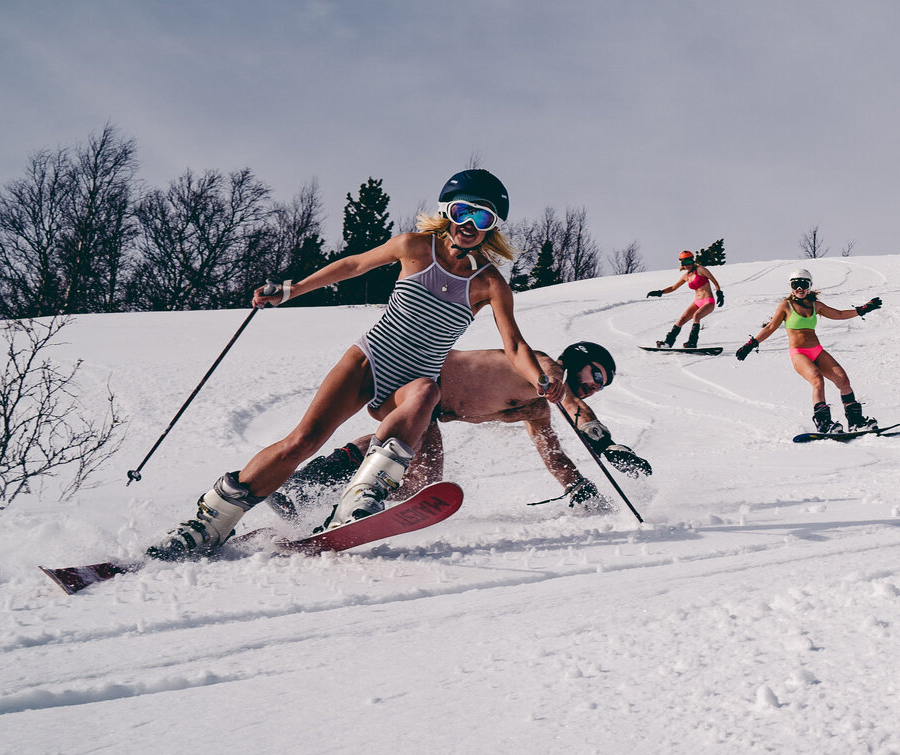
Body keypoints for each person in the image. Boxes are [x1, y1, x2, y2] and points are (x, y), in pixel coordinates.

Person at [145, 169, 566, 561]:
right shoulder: (414, 247)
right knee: (302, 442)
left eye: (482, 216)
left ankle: (362, 496)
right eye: (462, 211)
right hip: (370, 359)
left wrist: (539, 378)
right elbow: (352, 265)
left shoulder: (489, 282)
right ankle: (209, 523)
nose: (469, 224)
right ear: (446, 213)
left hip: (417, 374)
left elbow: (513, 345)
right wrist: (292, 290)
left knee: (427, 392)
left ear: (492, 226)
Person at [268, 342, 652, 516]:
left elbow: (553, 454)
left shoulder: (536, 409)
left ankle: (318, 494)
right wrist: (606, 444)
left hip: (429, 408)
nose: (597, 385)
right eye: (597, 374)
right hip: (415, 378)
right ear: (578, 361)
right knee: (413, 447)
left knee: (423, 479)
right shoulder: (542, 367)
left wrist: (576, 485)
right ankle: (307, 485)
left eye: (605, 385)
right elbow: (570, 399)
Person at [735, 268, 882, 433]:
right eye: (795, 284)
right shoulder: (786, 305)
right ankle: (824, 423)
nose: (799, 288)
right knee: (817, 380)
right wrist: (751, 344)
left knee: (843, 380)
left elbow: (839, 314)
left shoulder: (815, 305)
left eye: (803, 284)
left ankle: (856, 422)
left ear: (809, 286)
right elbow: (770, 327)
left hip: (817, 351)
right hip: (799, 353)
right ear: (791, 286)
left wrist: (862, 309)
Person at [646, 250, 724, 349]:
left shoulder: (701, 269)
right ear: (682, 263)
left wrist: (719, 293)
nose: (687, 265)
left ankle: (692, 342)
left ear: (692, 261)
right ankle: (668, 343)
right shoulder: (686, 276)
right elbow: (673, 288)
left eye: (689, 262)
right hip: (697, 302)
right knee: (681, 319)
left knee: (696, 316)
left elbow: (714, 281)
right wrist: (660, 292)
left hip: (708, 302)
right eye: (685, 263)